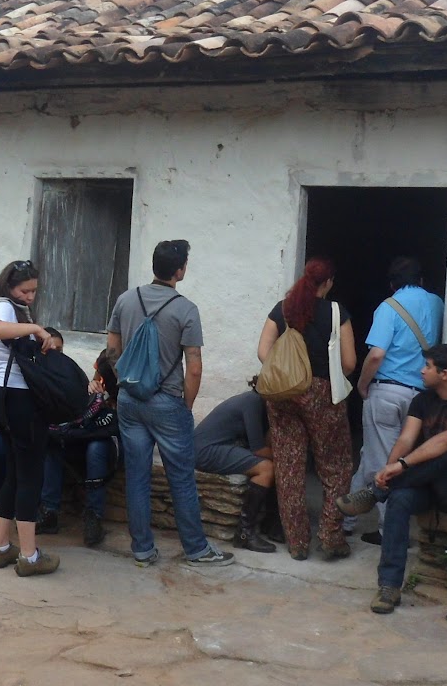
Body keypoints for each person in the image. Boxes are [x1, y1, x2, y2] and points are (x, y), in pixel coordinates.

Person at [106, 239, 233, 568]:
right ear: (180, 270)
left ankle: (143, 550)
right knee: (181, 478)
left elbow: (111, 350)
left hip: (130, 400)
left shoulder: (125, 300)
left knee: (136, 476)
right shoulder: (186, 309)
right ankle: (196, 549)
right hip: (167, 401)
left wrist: (124, 381)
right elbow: (194, 366)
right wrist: (185, 406)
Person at [339, 343, 447, 613]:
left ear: (445, 373)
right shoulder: (422, 400)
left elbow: (446, 441)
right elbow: (406, 439)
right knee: (399, 499)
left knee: (443, 457)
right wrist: (386, 471)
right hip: (422, 485)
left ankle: (374, 495)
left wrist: (400, 466)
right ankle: (389, 587)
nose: (421, 371)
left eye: (427, 366)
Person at [256, 257, 357, 560]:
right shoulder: (337, 313)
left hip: (284, 394)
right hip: (323, 394)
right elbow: (350, 363)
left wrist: (289, 373)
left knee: (289, 467)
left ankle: (297, 543)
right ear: (328, 283)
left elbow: (263, 352)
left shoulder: (283, 309)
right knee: (336, 466)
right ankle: (329, 535)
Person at [349, 256, 445, 539]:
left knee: (380, 461)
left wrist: (362, 385)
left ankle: (386, 530)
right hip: (423, 396)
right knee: (388, 459)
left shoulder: (388, 307)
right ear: (422, 280)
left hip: (388, 391)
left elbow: (376, 354)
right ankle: (345, 520)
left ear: (392, 284)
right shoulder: (437, 304)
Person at [0, 259, 59, 576]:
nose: (30, 296)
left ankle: (1, 548)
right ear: (9, 286)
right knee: (30, 475)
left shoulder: (11, 306)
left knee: (15, 473)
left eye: (33, 291)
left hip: (2, 396)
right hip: (17, 397)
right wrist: (36, 328)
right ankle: (29, 555)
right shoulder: (3, 305)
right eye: (25, 290)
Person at [40, 345, 121, 548]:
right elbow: (85, 407)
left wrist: (115, 403)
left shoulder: (138, 368)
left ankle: (93, 515)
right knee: (54, 443)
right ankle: (49, 511)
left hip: (111, 439)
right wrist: (95, 392)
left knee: (96, 448)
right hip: (90, 429)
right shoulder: (101, 368)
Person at [192, 390, 278, 554]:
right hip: (205, 451)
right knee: (266, 468)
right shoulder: (252, 402)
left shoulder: (256, 401)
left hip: (220, 446)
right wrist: (289, 459)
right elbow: (258, 449)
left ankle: (270, 522)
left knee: (270, 463)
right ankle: (244, 533)